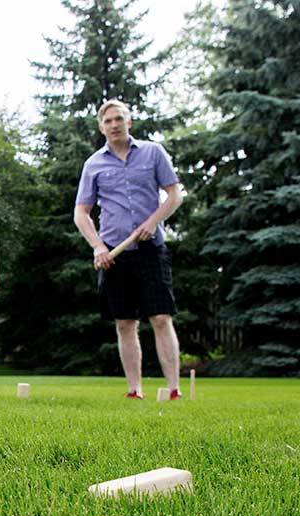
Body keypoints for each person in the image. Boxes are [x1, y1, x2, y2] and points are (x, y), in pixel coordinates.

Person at [74, 99, 184, 399]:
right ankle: (135, 390)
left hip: (152, 247)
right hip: (114, 252)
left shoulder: (153, 152)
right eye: (108, 121)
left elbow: (174, 195)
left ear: (129, 122)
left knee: (161, 318)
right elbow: (81, 213)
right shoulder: (93, 164)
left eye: (119, 119)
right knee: (124, 322)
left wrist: (153, 222)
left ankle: (173, 388)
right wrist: (98, 247)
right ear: (101, 127)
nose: (114, 124)